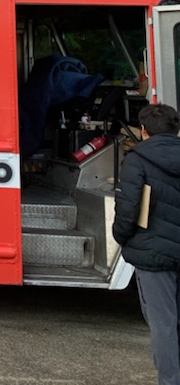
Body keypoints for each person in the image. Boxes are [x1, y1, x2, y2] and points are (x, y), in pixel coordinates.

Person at [113, 102, 180, 385]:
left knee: (163, 324)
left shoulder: (137, 160)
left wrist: (122, 237)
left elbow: (128, 210)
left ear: (143, 130)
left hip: (152, 254)